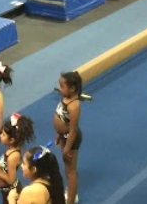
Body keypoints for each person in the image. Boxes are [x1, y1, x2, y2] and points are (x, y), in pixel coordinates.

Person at [54, 71, 84, 204]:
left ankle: (71, 199)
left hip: (71, 139)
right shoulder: (66, 98)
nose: (59, 89)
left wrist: (67, 148)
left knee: (71, 171)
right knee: (67, 168)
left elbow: (73, 130)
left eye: (62, 86)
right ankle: (71, 192)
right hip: (64, 137)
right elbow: (62, 118)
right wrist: (59, 134)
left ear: (72, 88)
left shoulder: (74, 105)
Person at [0, 113, 35, 203]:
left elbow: (11, 180)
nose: (0, 136)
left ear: (11, 140)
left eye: (3, 135)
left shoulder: (13, 156)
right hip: (6, 191)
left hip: (12, 192)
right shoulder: (10, 150)